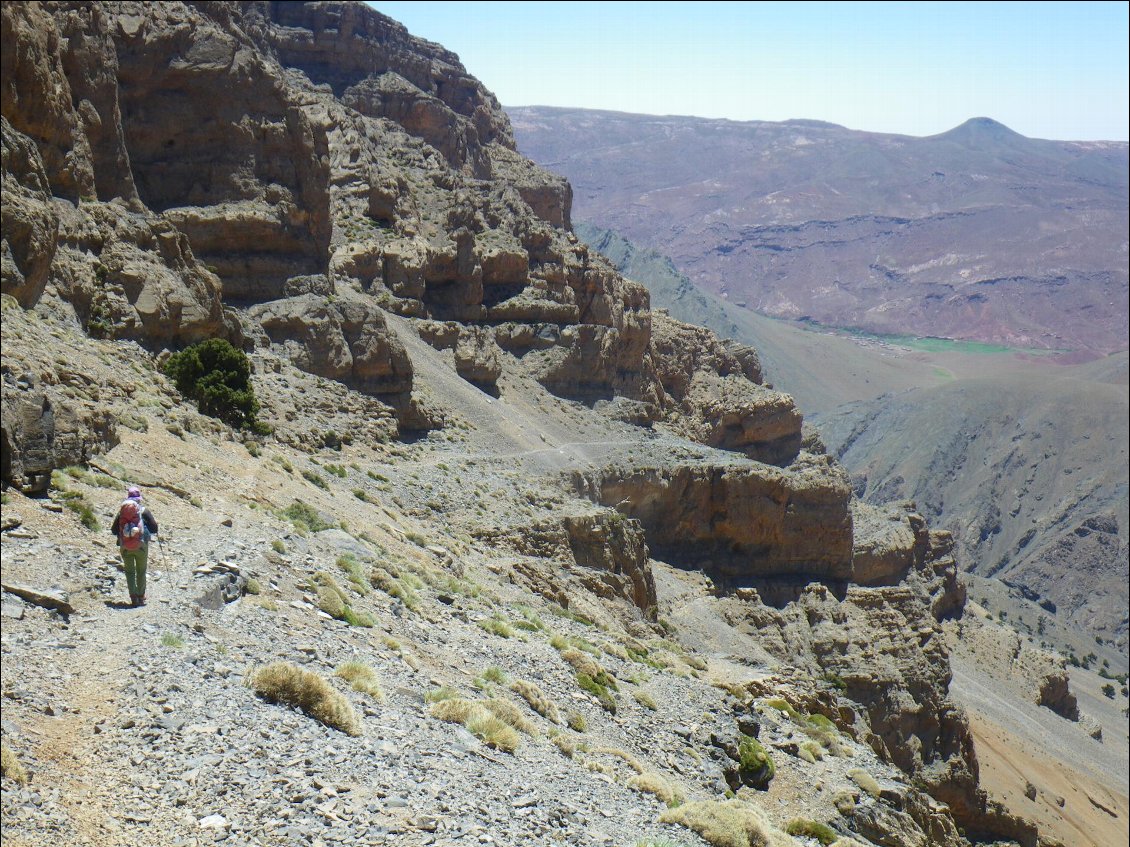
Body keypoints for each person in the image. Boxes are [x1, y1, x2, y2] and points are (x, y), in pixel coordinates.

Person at [110, 486, 159, 607]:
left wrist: (126, 533)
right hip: (141, 546)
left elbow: (113, 530)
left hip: (125, 546)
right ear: (139, 499)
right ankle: (141, 597)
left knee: (130, 571)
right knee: (141, 571)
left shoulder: (122, 512)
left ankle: (133, 598)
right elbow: (154, 528)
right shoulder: (143, 511)